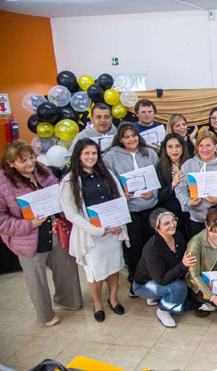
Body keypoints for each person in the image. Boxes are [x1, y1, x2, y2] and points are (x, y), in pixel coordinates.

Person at [0, 141, 82, 326]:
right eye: (23, 161)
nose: (30, 163)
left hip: (56, 229)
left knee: (66, 267)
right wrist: (28, 224)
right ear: (10, 163)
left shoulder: (42, 169)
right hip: (28, 238)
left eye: (31, 157)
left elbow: (59, 194)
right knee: (36, 279)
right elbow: (2, 221)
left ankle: (68, 301)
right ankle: (45, 316)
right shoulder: (3, 183)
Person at [60, 138, 128, 322]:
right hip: (91, 235)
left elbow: (119, 199)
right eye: (86, 153)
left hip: (112, 231)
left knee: (114, 267)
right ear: (78, 156)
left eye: (94, 153)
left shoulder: (106, 173)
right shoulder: (69, 180)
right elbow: (71, 214)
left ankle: (113, 299)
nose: (91, 157)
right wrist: (95, 230)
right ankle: (98, 304)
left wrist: (119, 224)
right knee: (95, 272)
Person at [103, 122, 159, 295]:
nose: (131, 139)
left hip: (150, 207)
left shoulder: (149, 153)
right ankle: (135, 280)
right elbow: (108, 182)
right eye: (126, 137)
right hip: (129, 210)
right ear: (120, 139)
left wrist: (153, 192)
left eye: (133, 136)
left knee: (151, 245)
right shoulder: (110, 157)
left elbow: (159, 177)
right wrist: (120, 194)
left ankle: (151, 277)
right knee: (133, 247)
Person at [133, 208, 196, 328]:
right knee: (179, 287)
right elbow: (161, 280)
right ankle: (163, 310)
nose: (173, 225)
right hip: (145, 284)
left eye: (174, 220)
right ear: (157, 228)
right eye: (166, 223)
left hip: (162, 276)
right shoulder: (152, 249)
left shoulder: (178, 236)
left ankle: (158, 297)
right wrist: (183, 265)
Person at [175, 130, 217, 237]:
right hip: (198, 220)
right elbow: (180, 189)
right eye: (201, 145)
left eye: (208, 145)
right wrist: (188, 202)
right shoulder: (188, 166)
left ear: (215, 146)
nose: (204, 149)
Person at [156, 133, 190, 239]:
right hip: (173, 213)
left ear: (183, 147)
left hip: (192, 209)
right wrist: (173, 184)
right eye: (170, 147)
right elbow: (161, 196)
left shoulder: (191, 163)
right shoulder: (160, 168)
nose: (174, 150)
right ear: (165, 149)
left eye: (177, 146)